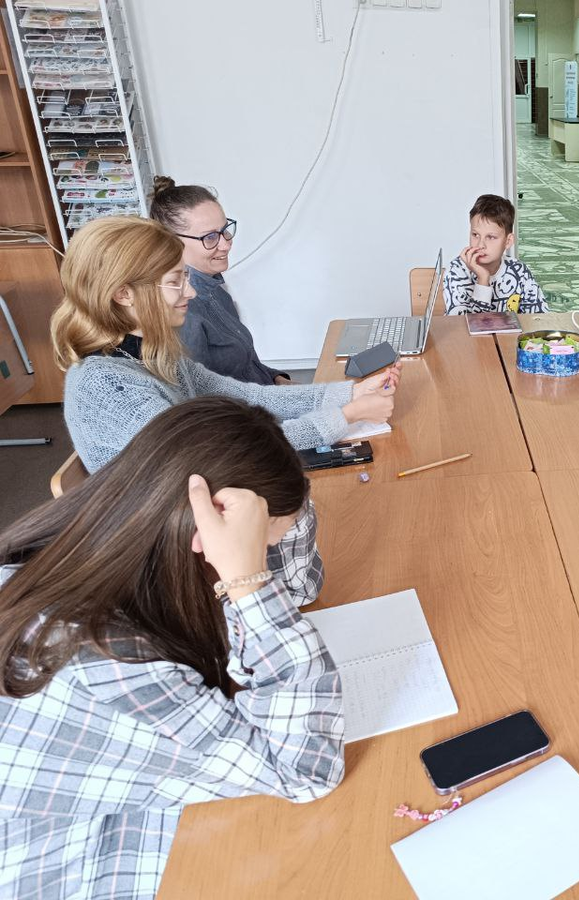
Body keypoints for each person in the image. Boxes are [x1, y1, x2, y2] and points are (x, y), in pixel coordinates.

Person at [0, 397, 345, 900]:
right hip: (101, 863)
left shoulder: (105, 556)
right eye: (265, 544)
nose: (269, 552)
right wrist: (248, 583)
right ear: (204, 532)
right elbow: (306, 771)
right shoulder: (109, 661)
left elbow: (300, 588)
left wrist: (281, 512)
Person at [51, 216, 399, 472]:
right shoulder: (108, 386)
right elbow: (220, 454)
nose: (190, 292)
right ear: (123, 294)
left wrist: (352, 393)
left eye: (186, 277)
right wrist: (346, 416)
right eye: (175, 282)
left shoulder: (151, 354)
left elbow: (249, 398)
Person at [149, 177, 286, 385]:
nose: (226, 245)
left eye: (225, 230)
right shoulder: (182, 311)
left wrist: (277, 378)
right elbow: (200, 395)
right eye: (210, 237)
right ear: (171, 242)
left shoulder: (216, 290)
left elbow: (245, 363)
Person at [443, 193, 547, 315]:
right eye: (475, 235)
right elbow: (469, 325)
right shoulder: (456, 271)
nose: (480, 245)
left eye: (491, 237)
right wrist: (483, 278)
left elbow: (540, 318)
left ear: (508, 241)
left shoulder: (519, 271)